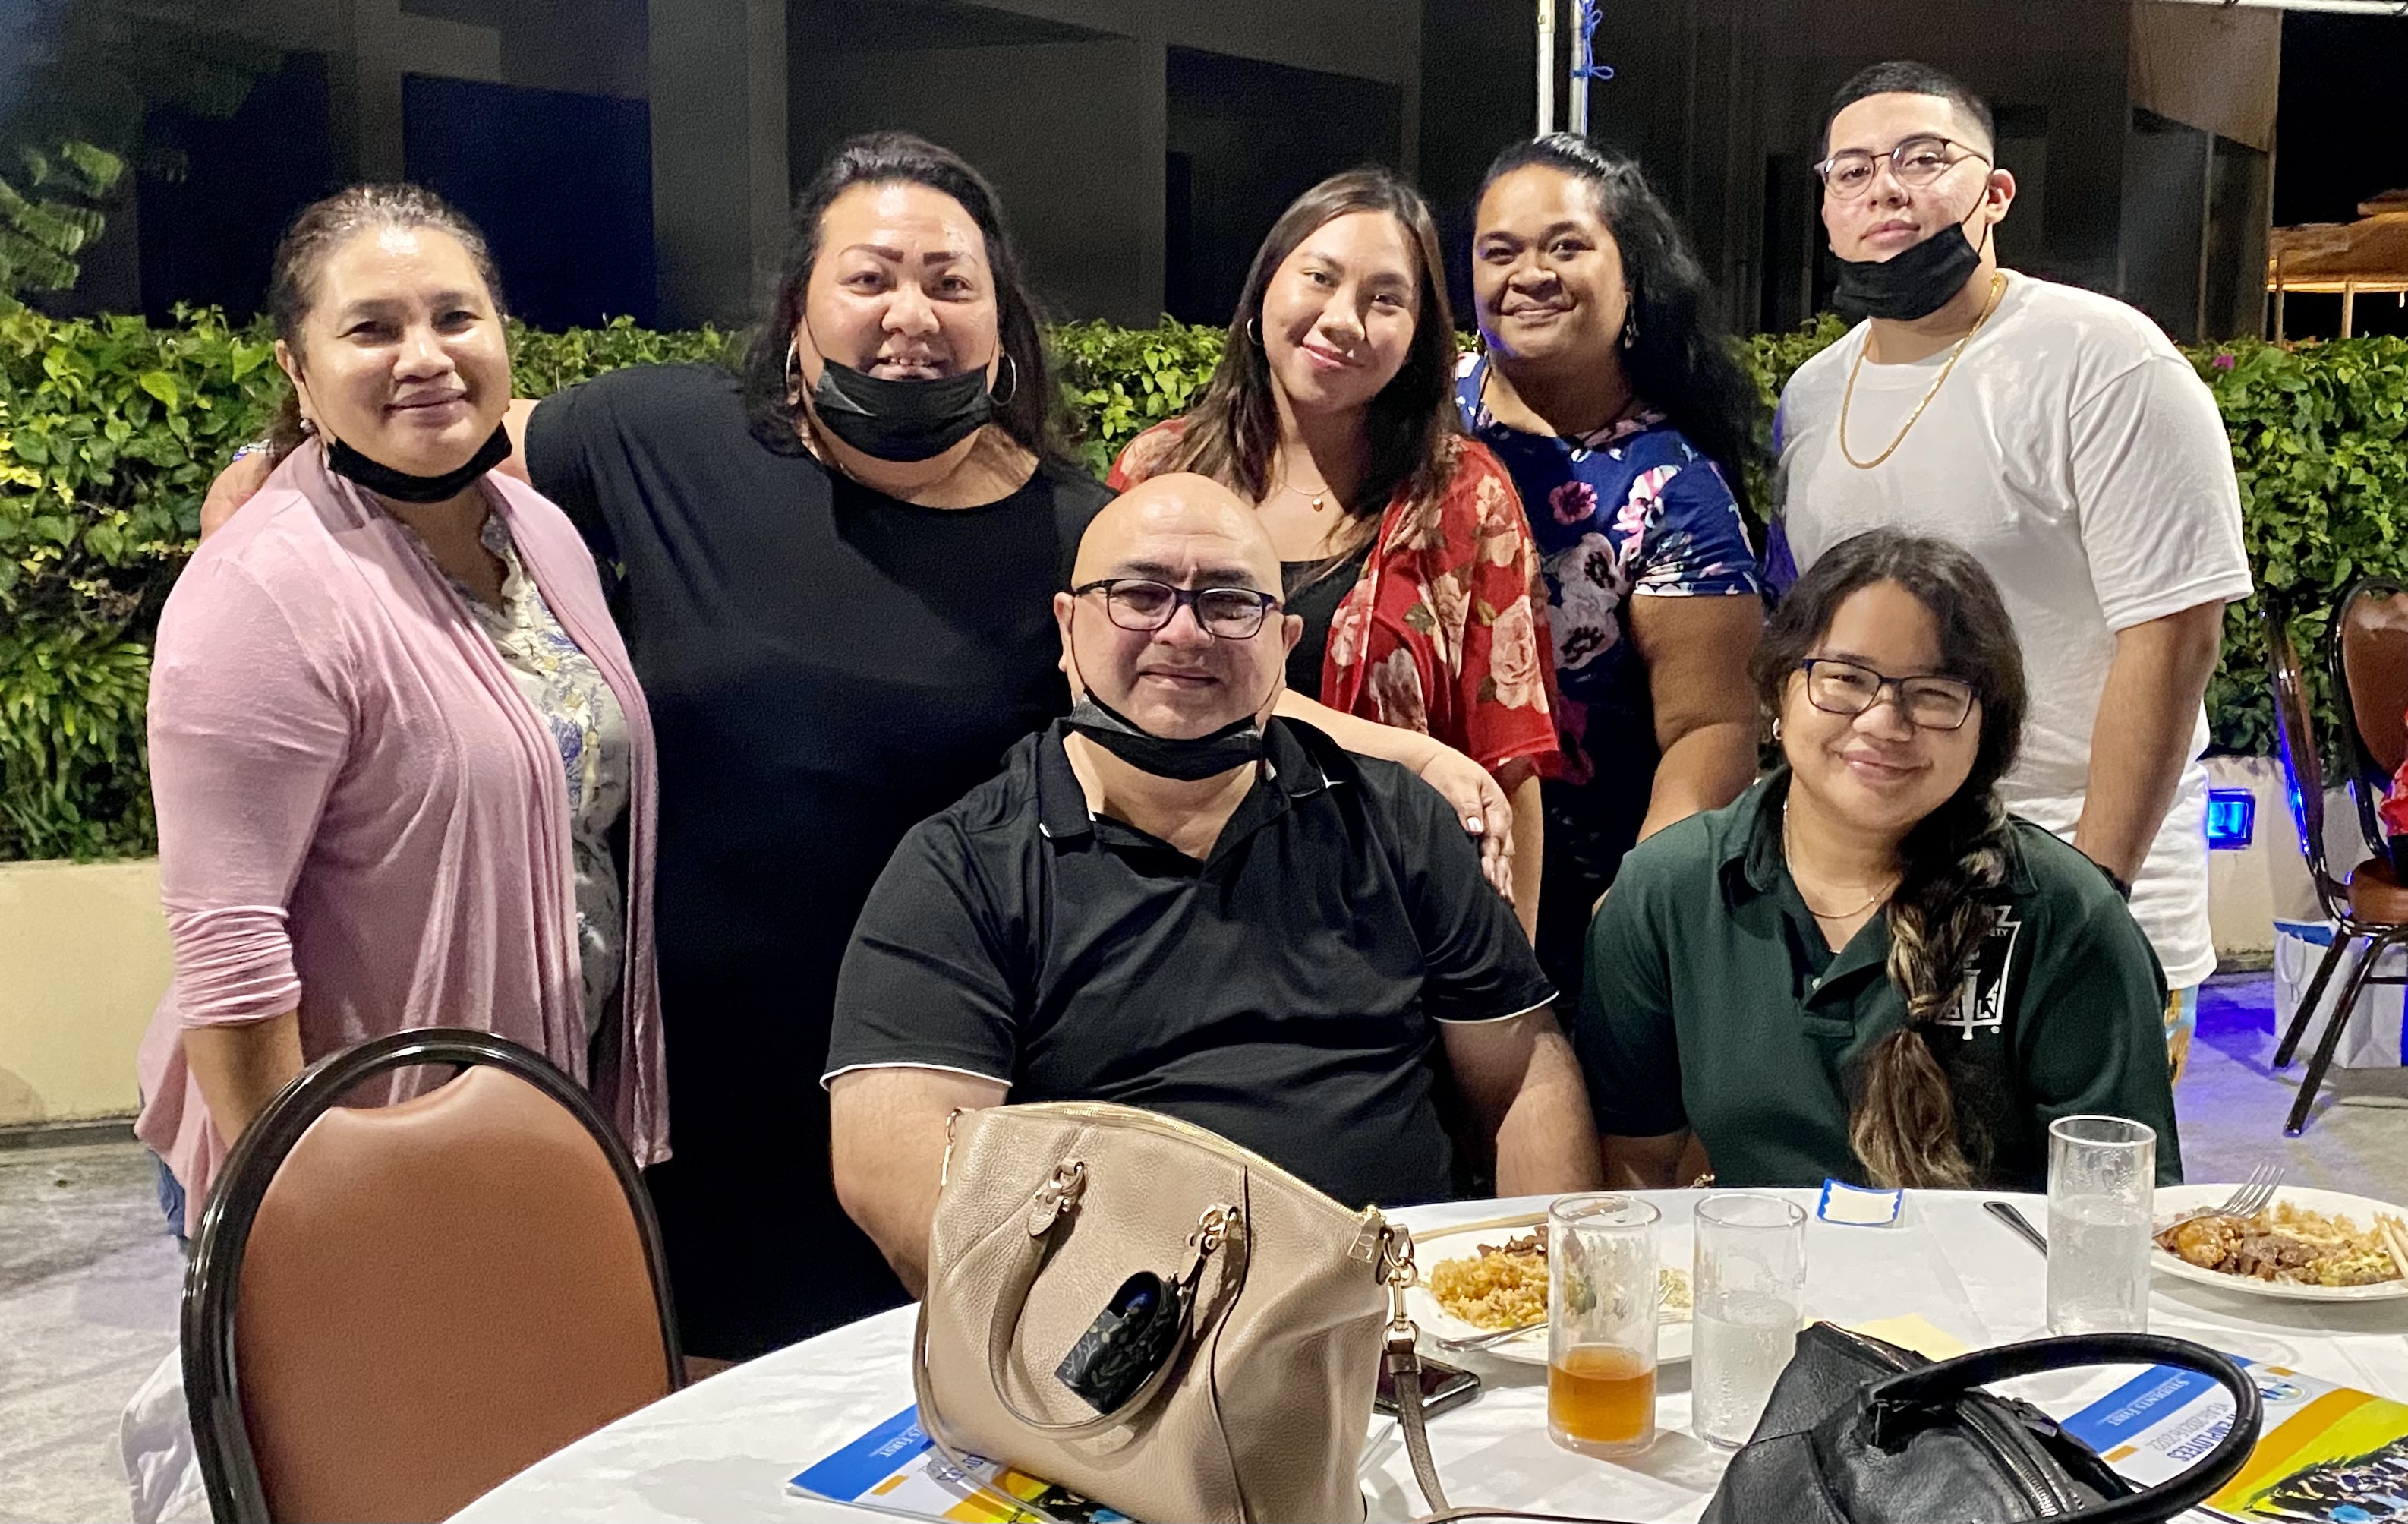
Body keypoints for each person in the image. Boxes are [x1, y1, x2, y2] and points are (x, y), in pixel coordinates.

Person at [197, 134, 1518, 1356]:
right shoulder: (661, 437)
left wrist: (1395, 752)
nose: (909, 311)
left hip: (964, 1076)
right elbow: (449, 439)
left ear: (1002, 322)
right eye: (869, 275)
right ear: (800, 308)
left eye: (949, 279)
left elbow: (1192, 664)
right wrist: (273, 475)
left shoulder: (1068, 522)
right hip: (699, 1078)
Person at [824, 474, 1600, 1293]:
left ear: (1282, 637)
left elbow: (1522, 1075)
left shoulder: (1396, 822)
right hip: (1110, 1352)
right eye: (1140, 595)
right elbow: (894, 1163)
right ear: (1066, 626)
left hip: (1398, 1324)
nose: (1184, 632)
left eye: (1229, 604)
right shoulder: (964, 866)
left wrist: (1550, 1305)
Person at [137, 185, 664, 1232]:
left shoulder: (541, 533)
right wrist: (297, 1212)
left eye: (454, 316)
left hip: (531, 1125)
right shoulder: (263, 588)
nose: (423, 355)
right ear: (298, 367)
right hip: (352, 1161)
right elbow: (230, 947)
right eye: (371, 328)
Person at [1770, 62, 2252, 1079]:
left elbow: (2173, 636)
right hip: (1876, 891)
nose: (1885, 188)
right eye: (1851, 170)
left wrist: (2089, 895)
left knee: (2066, 1213)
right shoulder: (1813, 395)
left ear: (1996, 192)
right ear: (1825, 207)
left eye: (1923, 159)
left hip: (2075, 864)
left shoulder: (2104, 361)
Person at [1577, 529, 2182, 1192]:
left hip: (2001, 1290)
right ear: (1779, 691)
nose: (1883, 721)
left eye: (1934, 693)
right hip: (1758, 1286)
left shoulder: (2065, 917)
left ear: (1988, 730)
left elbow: (2121, 1208)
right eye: (1844, 678)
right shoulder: (1668, 893)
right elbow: (1633, 1168)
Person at [1108, 168, 1561, 939]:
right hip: (1168, 916)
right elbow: (1111, 692)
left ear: (1419, 335)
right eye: (1318, 277)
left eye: (1386, 299)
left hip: (1387, 932)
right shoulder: (1160, 476)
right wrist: (1406, 752)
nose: (1345, 318)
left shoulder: (1463, 499)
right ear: (1262, 294)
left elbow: (1506, 770)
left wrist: (1511, 983)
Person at [1458, 135, 1767, 1003]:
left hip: (1581, 906)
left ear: (1630, 274)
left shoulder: (1672, 487)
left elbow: (1711, 729)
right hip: (1391, 876)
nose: (1530, 274)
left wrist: (1637, 910)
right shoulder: (1417, 424)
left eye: (1566, 246)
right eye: (1500, 252)